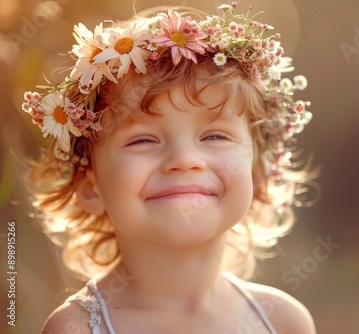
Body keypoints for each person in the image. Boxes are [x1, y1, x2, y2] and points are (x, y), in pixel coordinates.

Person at [22, 3, 316, 333]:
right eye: (142, 140)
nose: (184, 160)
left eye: (215, 135)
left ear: (258, 173)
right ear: (91, 187)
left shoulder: (284, 321)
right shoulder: (76, 328)